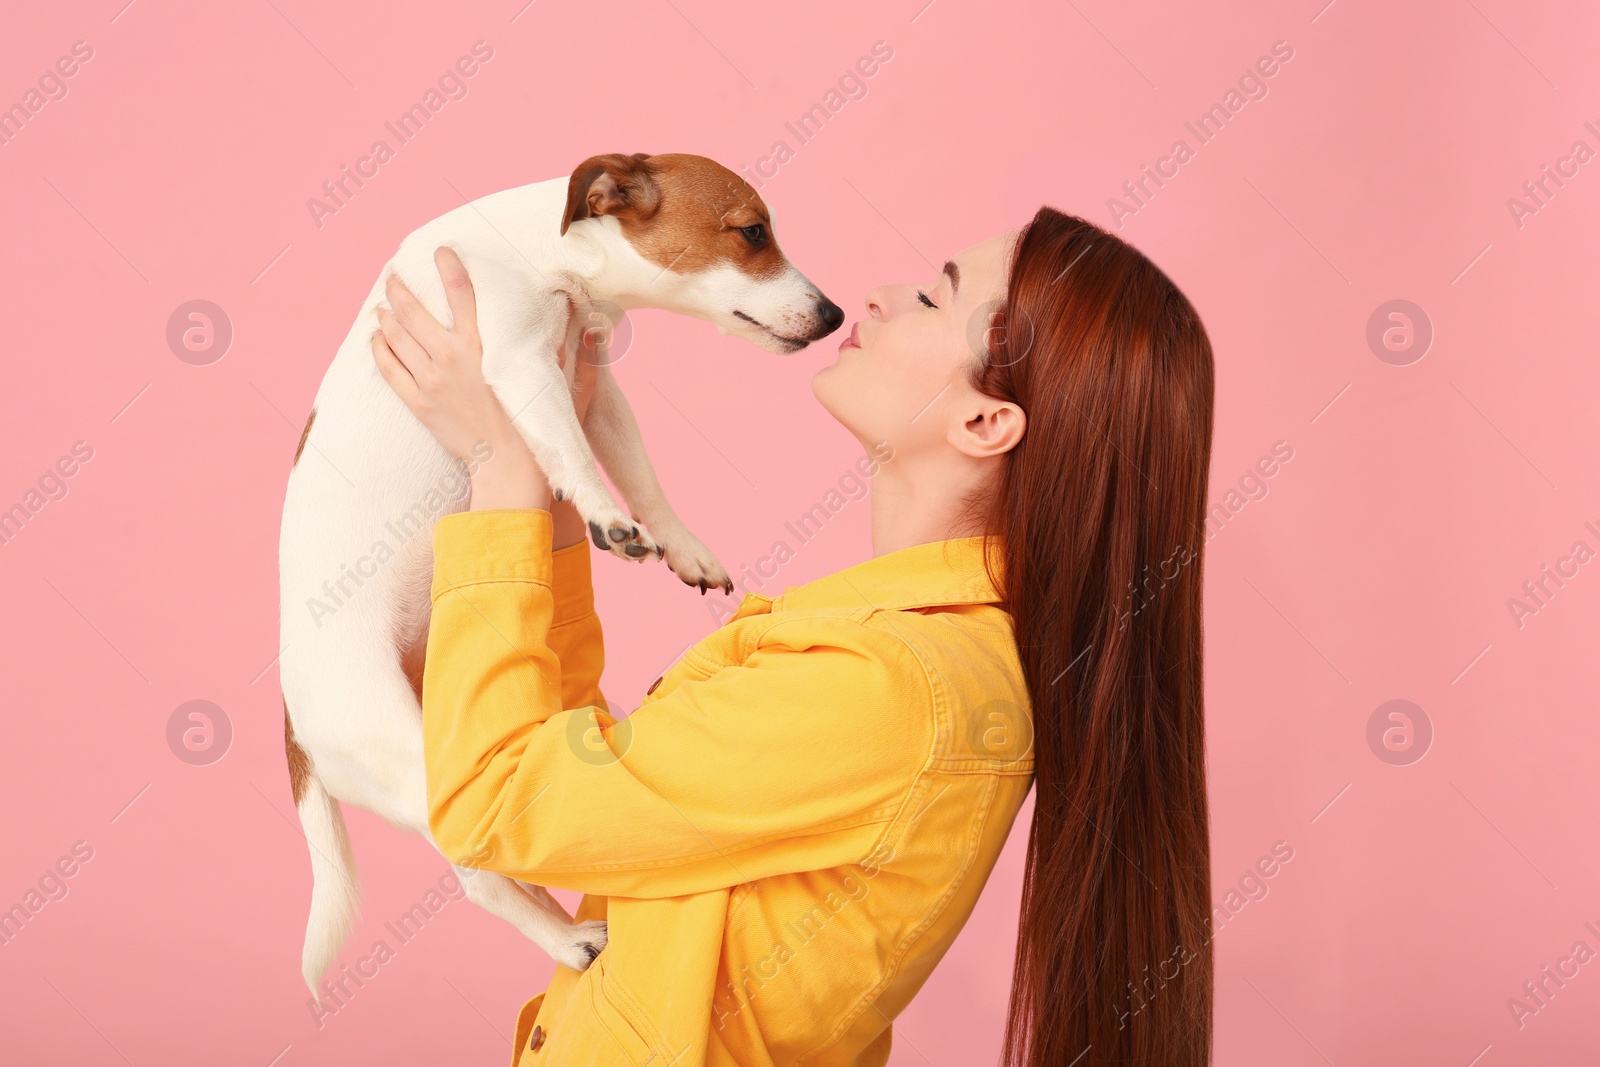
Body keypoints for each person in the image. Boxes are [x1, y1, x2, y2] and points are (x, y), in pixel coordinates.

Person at [370, 206, 1216, 1067]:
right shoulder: (902, 655)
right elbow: (587, 791)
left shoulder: (888, 685)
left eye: (931, 297)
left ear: (985, 423)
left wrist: (497, 465)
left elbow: (497, 796)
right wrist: (552, 470)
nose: (879, 298)